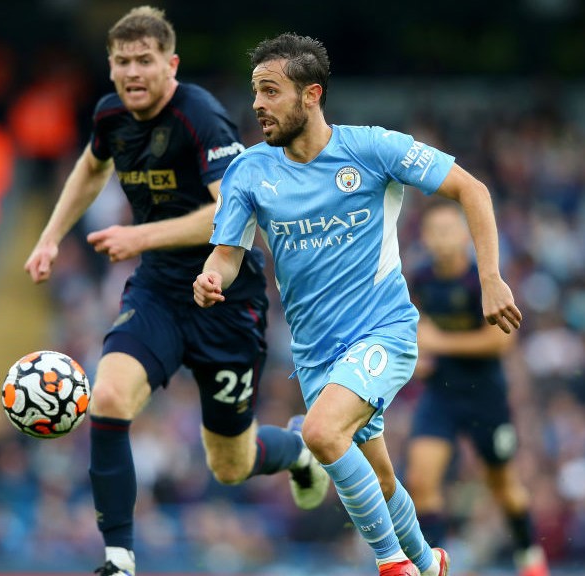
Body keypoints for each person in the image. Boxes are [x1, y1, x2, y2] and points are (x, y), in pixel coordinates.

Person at [194, 33, 522, 576]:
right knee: (381, 478)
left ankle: (392, 565)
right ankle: (429, 562)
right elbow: (227, 254)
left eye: (271, 91)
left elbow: (473, 190)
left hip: (383, 333)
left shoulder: (370, 148)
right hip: (314, 355)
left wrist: (490, 277)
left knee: (321, 433)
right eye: (255, 92)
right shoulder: (248, 172)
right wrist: (211, 275)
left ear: (311, 95)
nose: (257, 104)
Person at [23, 9, 329, 576]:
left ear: (171, 64)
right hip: (160, 290)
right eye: (123, 62)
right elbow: (92, 168)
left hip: (225, 298)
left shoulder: (200, 118)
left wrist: (140, 234)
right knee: (109, 397)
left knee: (230, 465)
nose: (133, 72)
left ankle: (297, 450)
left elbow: (234, 214)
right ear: (111, 67)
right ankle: (118, 557)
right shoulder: (110, 114)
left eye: (145, 60)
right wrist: (49, 237)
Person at [405, 202, 549, 576]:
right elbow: (412, 333)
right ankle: (433, 565)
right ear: (425, 238)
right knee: (421, 479)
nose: (443, 238)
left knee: (502, 485)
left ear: (466, 236)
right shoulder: (418, 280)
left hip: (485, 395)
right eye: (435, 231)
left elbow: (502, 342)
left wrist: (438, 343)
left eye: (450, 230)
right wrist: (416, 357)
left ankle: (530, 558)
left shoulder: (481, 281)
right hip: (441, 394)